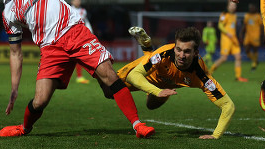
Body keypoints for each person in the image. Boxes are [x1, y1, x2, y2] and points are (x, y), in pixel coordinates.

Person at [0, 0, 155, 138]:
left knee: (109, 78)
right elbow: (15, 53)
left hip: (75, 33)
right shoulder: (8, 13)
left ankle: (137, 125)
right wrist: (14, 89)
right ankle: (24, 128)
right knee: (40, 101)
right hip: (50, 48)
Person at [101, 26, 235, 139]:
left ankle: (147, 49)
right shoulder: (164, 54)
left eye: (187, 51)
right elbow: (133, 76)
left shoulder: (201, 75)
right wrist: (157, 91)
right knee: (109, 91)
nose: (181, 56)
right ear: (175, 47)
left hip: (163, 85)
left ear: (196, 53)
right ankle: (144, 47)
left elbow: (228, 106)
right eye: (179, 49)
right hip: (148, 75)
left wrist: (215, 135)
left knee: (151, 105)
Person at [209, 1, 247, 82]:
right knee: (223, 58)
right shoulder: (224, 15)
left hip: (234, 39)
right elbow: (220, 25)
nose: (233, 7)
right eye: (232, 5)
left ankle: (238, 77)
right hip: (226, 39)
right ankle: (209, 72)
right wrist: (227, 33)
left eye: (234, 6)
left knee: (238, 57)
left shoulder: (234, 15)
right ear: (228, 6)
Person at [71, 0, 93, 84]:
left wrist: (90, 32)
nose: (77, 2)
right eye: (76, 0)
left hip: (80, 36)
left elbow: (86, 22)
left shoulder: (83, 11)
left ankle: (79, 76)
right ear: (72, 2)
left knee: (79, 56)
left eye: (79, 0)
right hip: (70, 36)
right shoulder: (69, 9)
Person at [240, 3, 263, 71]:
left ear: (255, 8)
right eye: (250, 8)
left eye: (252, 7)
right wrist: (241, 33)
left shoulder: (258, 16)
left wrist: (262, 35)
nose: (251, 9)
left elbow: (261, 26)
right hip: (248, 35)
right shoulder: (246, 16)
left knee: (255, 49)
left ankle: (254, 64)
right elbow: (244, 25)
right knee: (246, 50)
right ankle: (255, 60)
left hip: (256, 35)